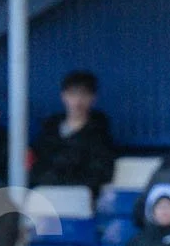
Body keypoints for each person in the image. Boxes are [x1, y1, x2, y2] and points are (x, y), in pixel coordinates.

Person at [30, 70, 116, 200]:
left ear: (93, 98)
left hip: (80, 199)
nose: (78, 101)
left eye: (84, 94)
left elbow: (99, 174)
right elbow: (36, 165)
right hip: (45, 195)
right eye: (72, 94)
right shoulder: (49, 131)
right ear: (63, 96)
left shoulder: (100, 135)